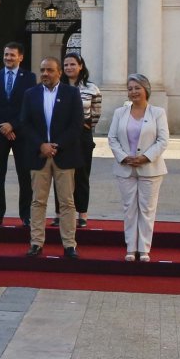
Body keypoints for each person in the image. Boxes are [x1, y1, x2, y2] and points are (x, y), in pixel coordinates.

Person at [19, 56, 85, 259]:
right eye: (42, 70)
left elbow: (76, 124)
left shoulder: (71, 93)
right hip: (39, 155)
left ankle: (69, 245)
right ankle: (36, 243)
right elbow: (24, 123)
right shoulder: (31, 94)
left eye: (49, 70)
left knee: (67, 202)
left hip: (64, 155)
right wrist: (41, 145)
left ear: (59, 72)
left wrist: (57, 145)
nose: (45, 74)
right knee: (38, 201)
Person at [107, 74, 169, 262]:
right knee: (129, 208)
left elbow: (163, 140)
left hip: (150, 168)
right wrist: (124, 157)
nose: (133, 92)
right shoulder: (120, 113)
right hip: (125, 168)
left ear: (146, 90)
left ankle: (144, 249)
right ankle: (130, 247)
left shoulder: (157, 113)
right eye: (130, 88)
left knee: (147, 208)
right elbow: (112, 138)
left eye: (137, 88)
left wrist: (145, 157)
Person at [0, 42, 36, 227]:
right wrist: (2, 127)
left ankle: (26, 215)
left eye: (12, 55)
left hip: (21, 135)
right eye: (6, 55)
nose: (8, 58)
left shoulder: (29, 78)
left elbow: (29, 107)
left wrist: (13, 125)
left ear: (20, 57)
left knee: (24, 175)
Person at [57, 52, 102, 228]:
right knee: (61, 176)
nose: (69, 68)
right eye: (66, 65)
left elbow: (96, 113)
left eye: (72, 64)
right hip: (61, 135)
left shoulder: (92, 88)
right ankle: (60, 213)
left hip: (82, 136)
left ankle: (82, 213)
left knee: (82, 175)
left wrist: (86, 127)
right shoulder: (57, 87)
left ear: (80, 66)